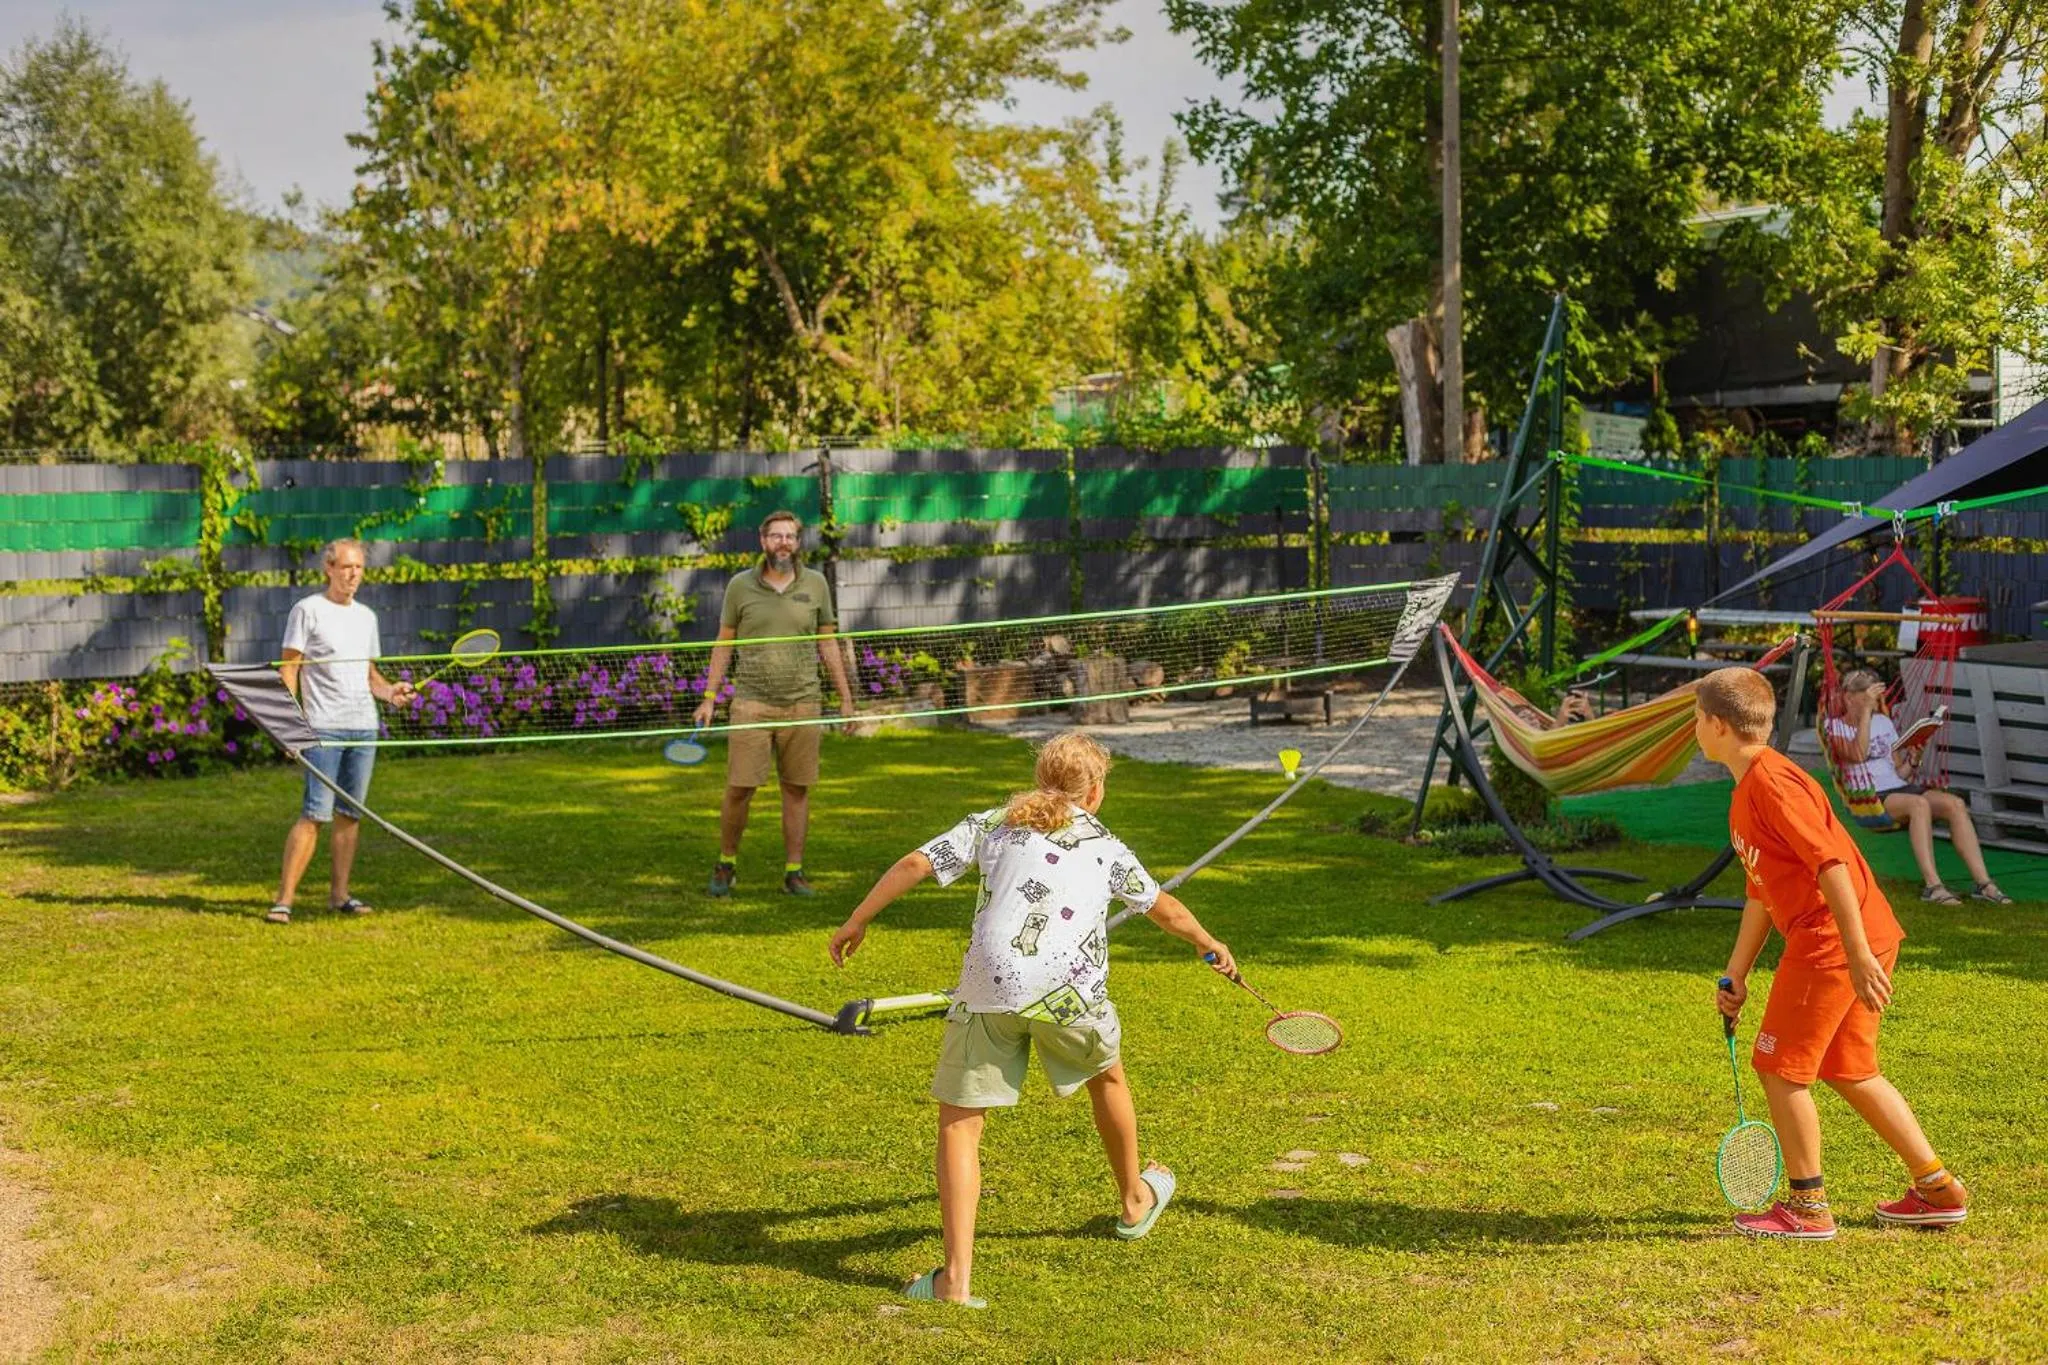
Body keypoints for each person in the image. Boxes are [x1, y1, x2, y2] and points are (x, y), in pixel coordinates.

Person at [827, 733, 1234, 1307]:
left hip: (989, 988)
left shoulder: (992, 822)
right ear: (1094, 792)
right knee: (1107, 1080)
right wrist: (1207, 942)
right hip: (1068, 993)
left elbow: (918, 862)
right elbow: (1160, 907)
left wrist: (858, 918)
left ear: (1044, 778)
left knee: (960, 1122)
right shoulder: (1103, 841)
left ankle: (956, 1282)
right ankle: (1135, 1200)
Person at [1696, 666, 1969, 1240]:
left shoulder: (1772, 784)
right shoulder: (1747, 789)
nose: (1696, 729)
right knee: (1851, 1068)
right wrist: (1736, 972)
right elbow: (1760, 890)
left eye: (1698, 719)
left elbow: (1831, 864)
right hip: (1859, 937)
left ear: (1718, 725)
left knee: (1778, 1067)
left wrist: (1855, 951)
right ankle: (1937, 1188)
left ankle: (1807, 1209)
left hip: (1836, 942)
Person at [693, 510, 857, 897]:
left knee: (797, 789)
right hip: (750, 704)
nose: (784, 542)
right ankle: (726, 864)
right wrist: (709, 699)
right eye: (776, 536)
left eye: (791, 536)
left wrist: (846, 698)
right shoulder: (739, 587)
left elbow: (828, 644)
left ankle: (794, 873)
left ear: (798, 544)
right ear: (762, 540)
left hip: (803, 703)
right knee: (739, 788)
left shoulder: (816, 585)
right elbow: (724, 643)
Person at [268, 538, 415, 924]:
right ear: (329, 569)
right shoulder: (307, 610)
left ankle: (339, 896)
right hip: (324, 729)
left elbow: (369, 675)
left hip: (363, 728)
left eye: (359, 568)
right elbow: (290, 671)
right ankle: (283, 900)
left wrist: (389, 692)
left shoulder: (366, 617)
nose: (353, 575)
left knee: (350, 814)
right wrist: (289, 727)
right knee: (315, 813)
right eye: (346, 567)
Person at [1825, 669, 2010, 905]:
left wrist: (1914, 758)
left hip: (1899, 788)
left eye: (1875, 698)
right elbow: (1858, 754)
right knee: (1919, 804)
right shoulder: (1834, 728)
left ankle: (1984, 884)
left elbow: (1901, 772)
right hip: (1868, 798)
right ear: (1849, 698)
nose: (1874, 704)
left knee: (1954, 804)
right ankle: (1933, 886)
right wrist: (1865, 715)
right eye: (1867, 698)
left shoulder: (1882, 722)